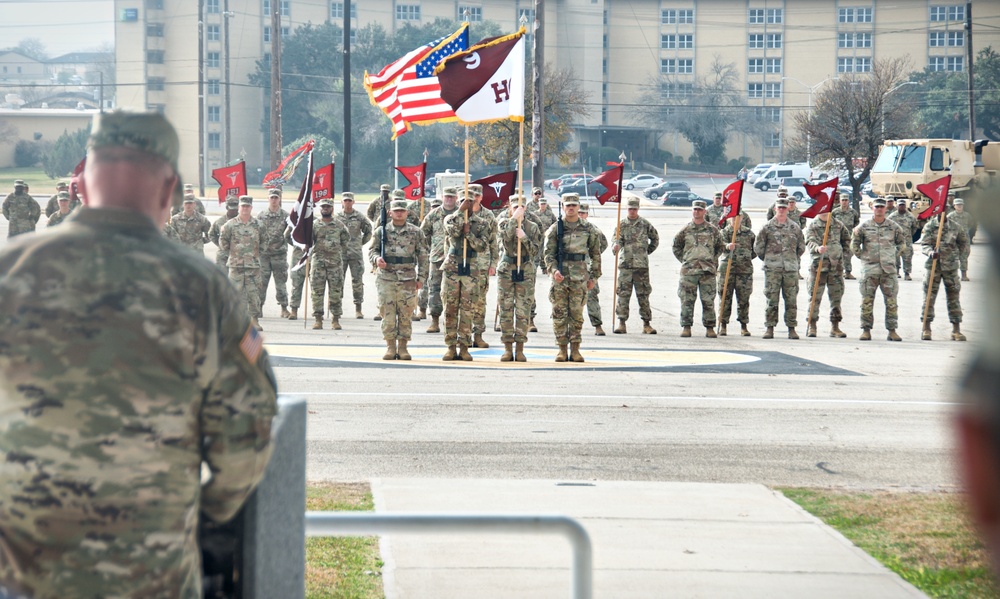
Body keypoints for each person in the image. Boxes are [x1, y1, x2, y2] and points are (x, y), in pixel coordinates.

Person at [0, 110, 277, 598]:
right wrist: (206, 520)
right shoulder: (203, 289)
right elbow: (246, 434)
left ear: (79, 182)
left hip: (19, 572)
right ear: (170, 188)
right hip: (151, 571)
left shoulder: (9, 271)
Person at [543, 193, 602, 362]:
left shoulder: (588, 228)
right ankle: (562, 349)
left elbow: (596, 254)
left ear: (578, 207)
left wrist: (594, 277)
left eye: (574, 205)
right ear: (562, 207)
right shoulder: (556, 228)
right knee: (559, 313)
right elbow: (548, 254)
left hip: (579, 277)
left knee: (576, 314)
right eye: (567, 205)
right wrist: (553, 271)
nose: (570, 208)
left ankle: (575, 349)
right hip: (560, 278)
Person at [370, 199, 428, 359]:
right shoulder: (381, 231)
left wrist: (421, 278)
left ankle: (403, 347)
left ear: (407, 213)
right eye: (396, 210)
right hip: (386, 278)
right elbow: (372, 251)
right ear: (390, 213)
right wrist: (376, 260)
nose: (399, 213)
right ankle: (390, 346)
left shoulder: (416, 232)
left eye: (402, 210)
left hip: (408, 278)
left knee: (405, 314)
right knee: (387, 313)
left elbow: (423, 256)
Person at [441, 190, 491, 361]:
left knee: (468, 309)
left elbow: (482, 246)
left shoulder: (482, 223)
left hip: (471, 267)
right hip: (453, 267)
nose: (467, 203)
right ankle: (450, 346)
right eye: (463, 200)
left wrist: (469, 233)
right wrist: (459, 213)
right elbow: (453, 232)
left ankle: (464, 346)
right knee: (450, 308)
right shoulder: (450, 218)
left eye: (470, 201)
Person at [850, 197, 907, 341]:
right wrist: (863, 256)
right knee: (867, 301)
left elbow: (902, 244)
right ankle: (866, 330)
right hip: (870, 270)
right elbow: (854, 244)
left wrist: (893, 254)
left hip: (888, 270)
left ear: (886, 209)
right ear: (872, 208)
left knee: (891, 301)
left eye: (882, 207)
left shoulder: (894, 227)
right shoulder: (863, 226)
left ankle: (892, 330)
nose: (879, 209)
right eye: (877, 207)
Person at [497, 197, 542, 361]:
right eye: (516, 207)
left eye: (522, 207)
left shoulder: (533, 227)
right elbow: (505, 237)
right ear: (509, 207)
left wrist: (524, 237)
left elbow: (535, 251)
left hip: (525, 270)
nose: (519, 209)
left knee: (523, 311)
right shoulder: (503, 222)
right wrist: (514, 219)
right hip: (507, 269)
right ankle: (508, 348)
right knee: (506, 310)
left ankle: (520, 348)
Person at [754, 197, 806, 339]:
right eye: (779, 207)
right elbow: (758, 247)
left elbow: (801, 246)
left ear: (788, 209)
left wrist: (791, 259)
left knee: (791, 300)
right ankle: (769, 328)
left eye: (784, 207)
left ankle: (791, 328)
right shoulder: (767, 227)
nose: (782, 209)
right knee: (772, 299)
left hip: (790, 269)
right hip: (772, 269)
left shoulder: (795, 227)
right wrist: (770, 260)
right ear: (775, 209)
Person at [672, 199, 725, 337]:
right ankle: (686, 326)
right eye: (695, 209)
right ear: (692, 211)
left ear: (704, 211)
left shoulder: (712, 230)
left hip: (707, 271)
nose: (697, 212)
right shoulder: (685, 230)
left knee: (708, 300)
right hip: (689, 272)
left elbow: (720, 246)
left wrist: (712, 260)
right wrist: (685, 260)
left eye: (700, 210)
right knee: (686, 300)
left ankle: (709, 327)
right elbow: (676, 246)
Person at [919, 210, 970, 341]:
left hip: (951, 268)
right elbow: (924, 244)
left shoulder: (956, 226)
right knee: (929, 298)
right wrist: (930, 253)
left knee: (954, 297)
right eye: (939, 211)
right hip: (933, 267)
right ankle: (926, 328)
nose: (941, 213)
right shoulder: (929, 226)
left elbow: (964, 242)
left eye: (944, 211)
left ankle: (956, 330)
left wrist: (957, 256)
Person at [612, 197, 660, 334]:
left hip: (641, 267)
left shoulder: (644, 224)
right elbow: (616, 240)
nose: (632, 211)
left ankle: (646, 324)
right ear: (627, 209)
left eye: (634, 208)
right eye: (630, 208)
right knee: (623, 295)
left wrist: (646, 252)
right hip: (625, 266)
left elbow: (655, 238)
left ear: (638, 209)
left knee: (643, 295)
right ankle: (621, 323)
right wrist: (615, 246)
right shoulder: (621, 225)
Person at [220, 196, 267, 330]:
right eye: (243, 206)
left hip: (253, 266)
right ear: (239, 207)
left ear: (251, 208)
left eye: (247, 206)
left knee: (254, 293)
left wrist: (256, 254)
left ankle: (254, 320)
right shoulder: (230, 224)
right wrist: (234, 254)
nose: (245, 208)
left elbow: (265, 241)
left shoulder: (259, 225)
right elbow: (223, 242)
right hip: (236, 265)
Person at [804, 211, 852, 338]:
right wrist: (817, 248)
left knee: (836, 299)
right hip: (818, 267)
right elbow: (809, 241)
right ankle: (812, 326)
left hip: (836, 268)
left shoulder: (838, 224)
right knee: (814, 298)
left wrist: (843, 254)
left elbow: (846, 239)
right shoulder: (813, 225)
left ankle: (835, 327)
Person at [421, 187, 460, 333]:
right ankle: (435, 320)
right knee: (434, 289)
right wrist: (431, 248)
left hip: (455, 259)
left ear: (456, 198)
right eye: (446, 197)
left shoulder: (460, 214)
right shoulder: (434, 214)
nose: (449, 199)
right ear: (442, 197)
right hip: (437, 258)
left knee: (454, 291)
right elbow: (423, 233)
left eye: (451, 197)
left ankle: (451, 322)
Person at [310, 198, 350, 330]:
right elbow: (308, 242)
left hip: (335, 264)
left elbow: (345, 241)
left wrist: (335, 252)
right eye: (323, 207)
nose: (325, 209)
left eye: (328, 207)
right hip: (318, 264)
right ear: (320, 209)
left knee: (336, 292)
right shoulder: (314, 225)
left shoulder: (339, 225)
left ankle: (335, 319)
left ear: (332, 208)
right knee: (317, 292)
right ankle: (318, 319)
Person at [335, 191, 373, 319]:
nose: (347, 203)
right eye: (345, 200)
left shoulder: (359, 217)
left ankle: (358, 308)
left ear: (353, 202)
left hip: (355, 254)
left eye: (349, 200)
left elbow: (368, 232)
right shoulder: (337, 217)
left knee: (357, 281)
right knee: (338, 281)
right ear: (341, 202)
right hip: (341, 254)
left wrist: (359, 243)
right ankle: (337, 308)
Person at [718, 213, 756, 336]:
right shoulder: (724, 232)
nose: (735, 220)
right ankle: (723, 325)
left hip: (744, 270)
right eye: (733, 218)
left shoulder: (748, 233)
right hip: (727, 269)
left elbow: (755, 250)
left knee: (744, 299)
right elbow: (718, 246)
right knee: (725, 297)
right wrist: (727, 246)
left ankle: (744, 326)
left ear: (742, 219)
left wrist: (745, 258)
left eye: (738, 218)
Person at [257, 188, 290, 318]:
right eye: (272, 197)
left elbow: (290, 233)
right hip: (264, 255)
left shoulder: (286, 216)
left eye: (276, 197)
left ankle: (284, 308)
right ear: (268, 199)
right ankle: (259, 307)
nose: (274, 200)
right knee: (261, 283)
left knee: (281, 283)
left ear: (280, 199)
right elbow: (257, 232)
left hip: (279, 255)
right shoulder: (261, 215)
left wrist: (282, 242)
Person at [527, 188, 556, 332]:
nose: (538, 196)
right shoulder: (529, 208)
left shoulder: (547, 211)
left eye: (540, 194)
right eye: (536, 194)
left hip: (540, 242)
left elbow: (554, 223)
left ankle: (530, 318)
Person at [579, 201, 609, 335]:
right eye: (579, 212)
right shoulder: (565, 227)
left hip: (588, 267)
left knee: (592, 295)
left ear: (587, 214)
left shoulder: (593, 229)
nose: (581, 215)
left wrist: (592, 254)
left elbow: (604, 243)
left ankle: (597, 325)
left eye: (583, 213)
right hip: (570, 268)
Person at [888, 199, 920, 280]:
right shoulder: (892, 216)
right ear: (897, 206)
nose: (901, 206)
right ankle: (896, 272)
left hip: (907, 241)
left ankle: (907, 273)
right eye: (900, 205)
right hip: (895, 241)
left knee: (907, 257)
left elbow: (914, 228)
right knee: (895, 256)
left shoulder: (910, 216)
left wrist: (908, 235)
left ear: (905, 206)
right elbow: (888, 227)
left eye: (903, 205)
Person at [831, 192, 861, 279]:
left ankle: (848, 272)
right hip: (837, 236)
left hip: (848, 236)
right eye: (843, 200)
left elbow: (856, 222)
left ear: (848, 201)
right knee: (836, 254)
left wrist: (854, 231)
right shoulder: (835, 212)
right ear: (840, 201)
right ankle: (836, 272)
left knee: (848, 254)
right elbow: (830, 222)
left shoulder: (853, 212)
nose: (844, 202)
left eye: (846, 200)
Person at [948, 198, 975, 281]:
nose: (959, 206)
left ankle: (964, 275)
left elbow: (971, 224)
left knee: (964, 256)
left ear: (963, 206)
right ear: (954, 206)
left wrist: (965, 232)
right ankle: (953, 275)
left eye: (961, 205)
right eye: (957, 205)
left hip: (964, 239)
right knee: (952, 257)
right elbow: (946, 226)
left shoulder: (967, 215)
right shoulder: (950, 216)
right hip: (954, 239)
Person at [211, 194, 240, 270]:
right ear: (227, 207)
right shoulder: (219, 222)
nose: (234, 210)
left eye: (235, 208)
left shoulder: (243, 220)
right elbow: (211, 234)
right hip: (223, 257)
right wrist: (221, 245)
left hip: (239, 257)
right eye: (231, 209)